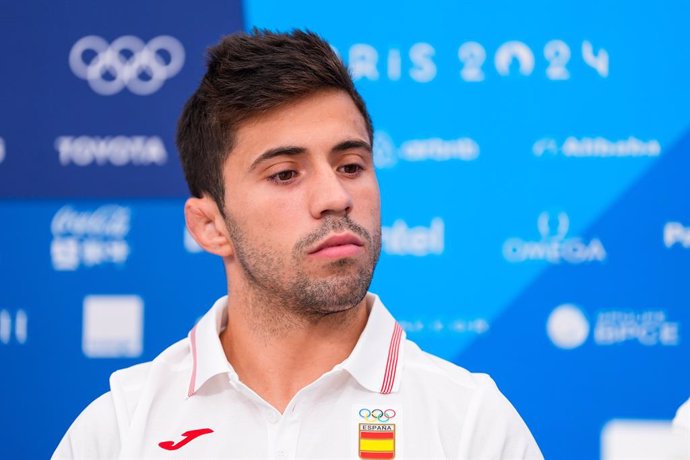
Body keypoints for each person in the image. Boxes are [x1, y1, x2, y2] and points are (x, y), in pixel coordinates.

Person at [53, 29, 543, 459]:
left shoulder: (471, 426)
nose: (336, 197)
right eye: (285, 174)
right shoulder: (118, 430)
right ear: (209, 226)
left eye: (351, 165)